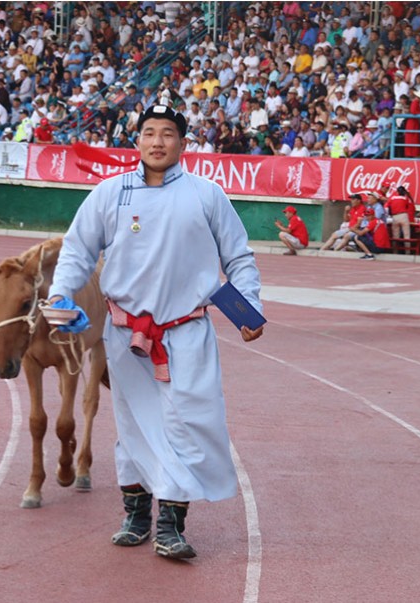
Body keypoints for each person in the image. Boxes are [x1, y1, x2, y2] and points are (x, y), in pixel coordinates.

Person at [47, 103, 264, 560]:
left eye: (168, 133)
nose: (158, 141)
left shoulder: (207, 195)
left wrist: (247, 311)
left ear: (183, 144)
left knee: (187, 425)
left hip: (187, 333)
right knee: (134, 426)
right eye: (149, 133)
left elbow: (238, 258)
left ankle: (173, 523)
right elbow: (77, 250)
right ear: (138, 141)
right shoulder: (110, 193)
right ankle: (140, 516)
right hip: (126, 337)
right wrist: (62, 295)